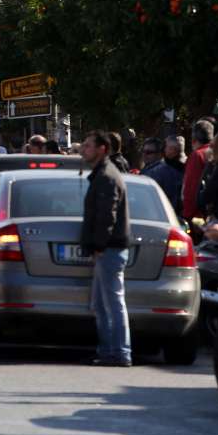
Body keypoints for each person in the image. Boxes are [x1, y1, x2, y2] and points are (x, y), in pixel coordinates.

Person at [80, 130, 132, 367]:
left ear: (102, 149)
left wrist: (99, 245)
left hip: (110, 249)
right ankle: (109, 351)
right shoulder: (102, 174)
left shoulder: (107, 177)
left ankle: (120, 352)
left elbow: (107, 215)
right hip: (106, 249)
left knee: (112, 303)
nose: (84, 150)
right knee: (101, 305)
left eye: (88, 146)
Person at [181, 119, 215, 223]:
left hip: (198, 217)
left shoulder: (197, 155)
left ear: (193, 138)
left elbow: (191, 187)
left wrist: (188, 215)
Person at [141, 136, 184, 215]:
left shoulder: (159, 172)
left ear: (160, 154)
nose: (144, 155)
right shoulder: (148, 169)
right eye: (143, 151)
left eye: (149, 152)